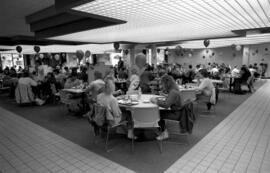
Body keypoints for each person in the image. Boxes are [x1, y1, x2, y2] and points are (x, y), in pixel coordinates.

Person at [150, 75, 183, 140]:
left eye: (162, 84)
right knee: (159, 112)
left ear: (166, 83)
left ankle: (164, 133)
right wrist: (166, 96)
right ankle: (162, 131)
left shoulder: (173, 92)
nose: (161, 86)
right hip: (178, 112)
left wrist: (156, 101)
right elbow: (171, 100)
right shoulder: (174, 90)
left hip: (176, 114)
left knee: (158, 114)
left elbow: (166, 105)